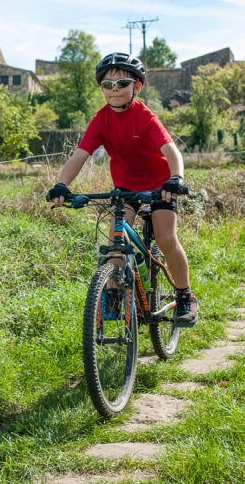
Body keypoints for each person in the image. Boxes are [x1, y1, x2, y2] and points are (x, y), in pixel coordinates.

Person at [46, 52, 198, 326]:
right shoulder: (101, 119)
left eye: (122, 83)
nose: (114, 89)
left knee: (165, 238)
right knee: (115, 242)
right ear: (101, 88)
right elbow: (80, 155)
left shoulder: (145, 117)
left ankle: (185, 295)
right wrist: (61, 185)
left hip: (159, 186)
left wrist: (176, 178)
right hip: (125, 187)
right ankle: (116, 292)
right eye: (108, 84)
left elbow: (171, 150)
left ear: (136, 87)